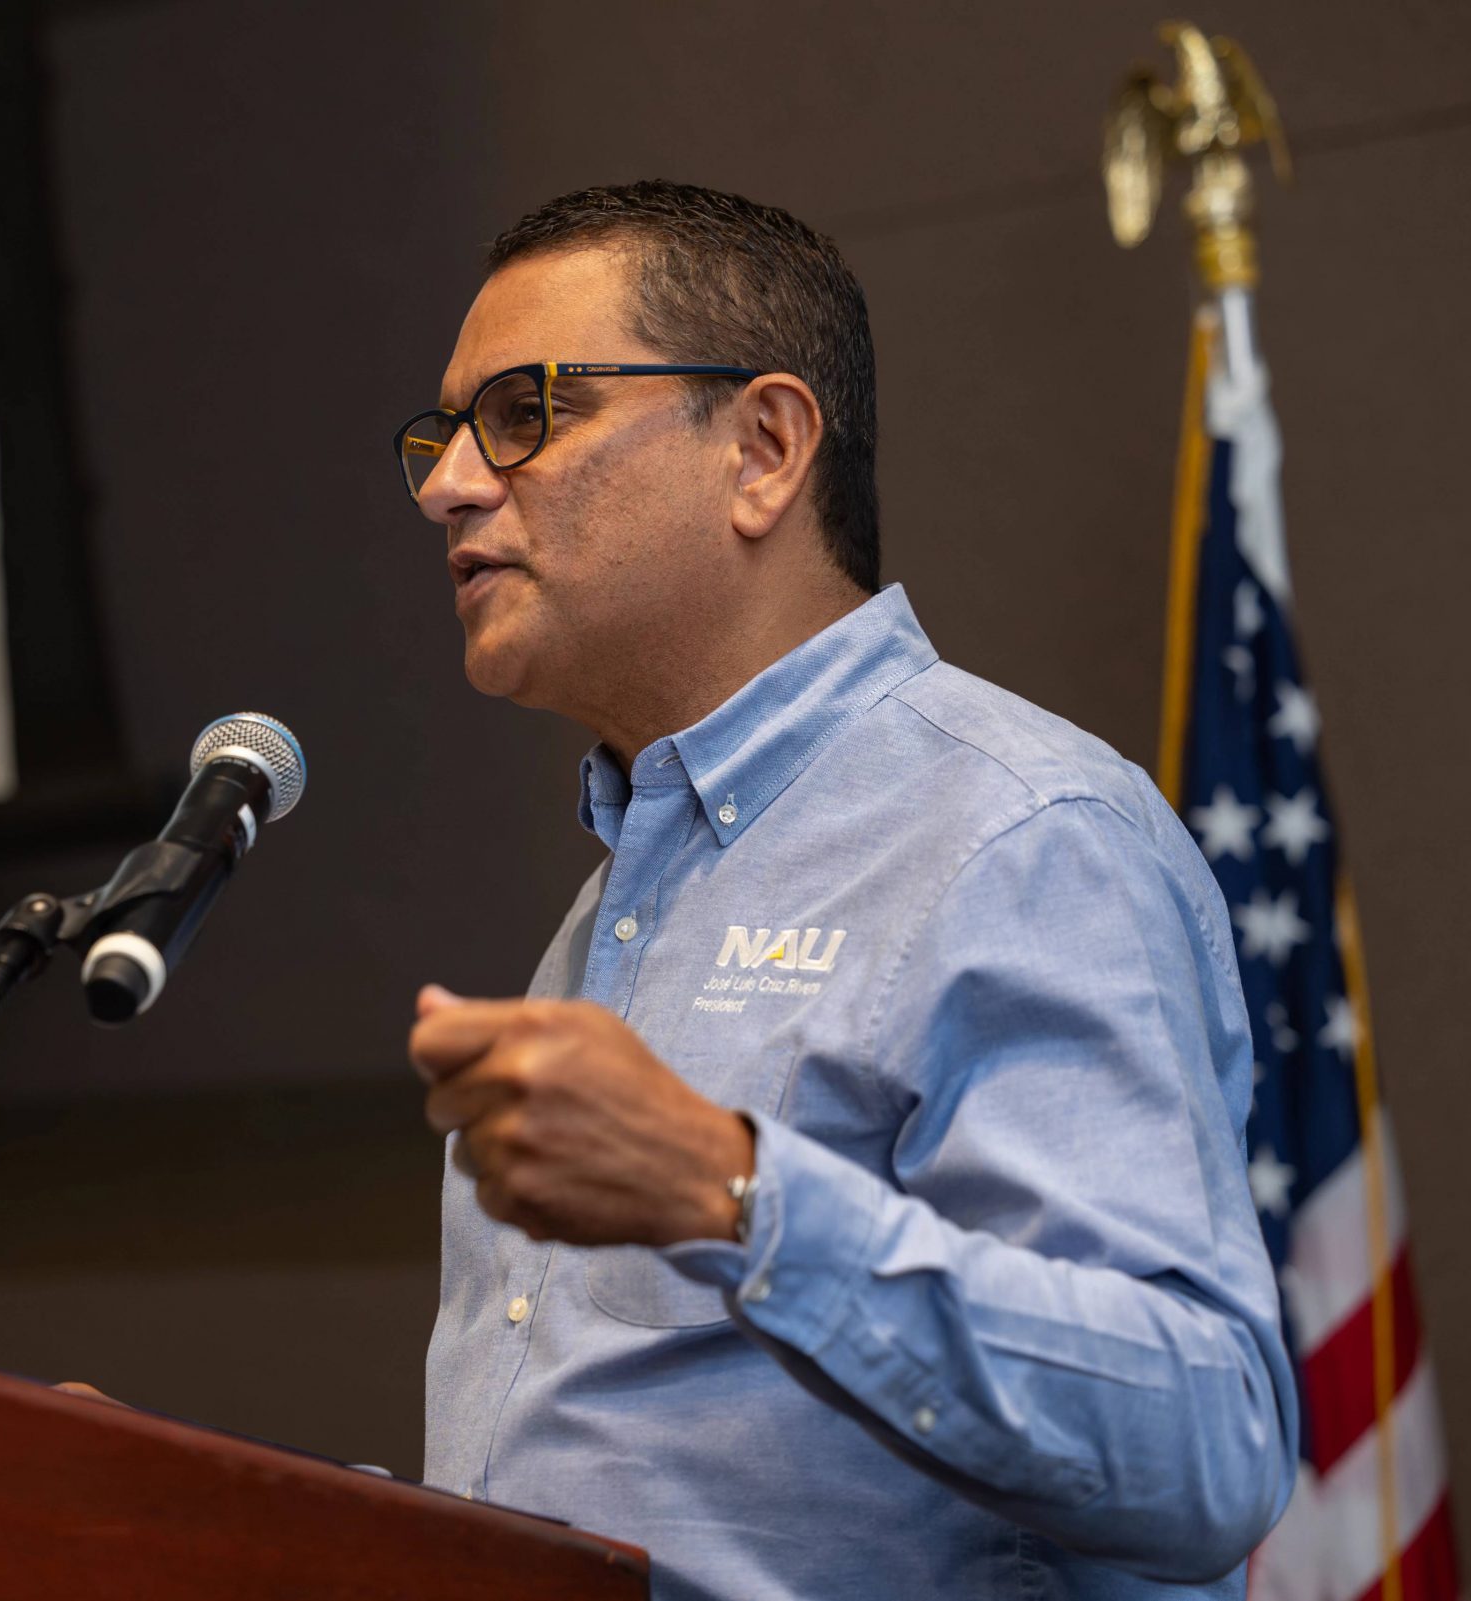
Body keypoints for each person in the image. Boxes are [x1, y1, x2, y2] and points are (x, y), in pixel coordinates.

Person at [398, 181, 1298, 1600]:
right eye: (442, 435)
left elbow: (1211, 1441)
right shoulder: (613, 905)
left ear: (763, 448)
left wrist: (732, 1188)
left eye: (524, 411)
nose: (451, 479)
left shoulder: (1019, 832)